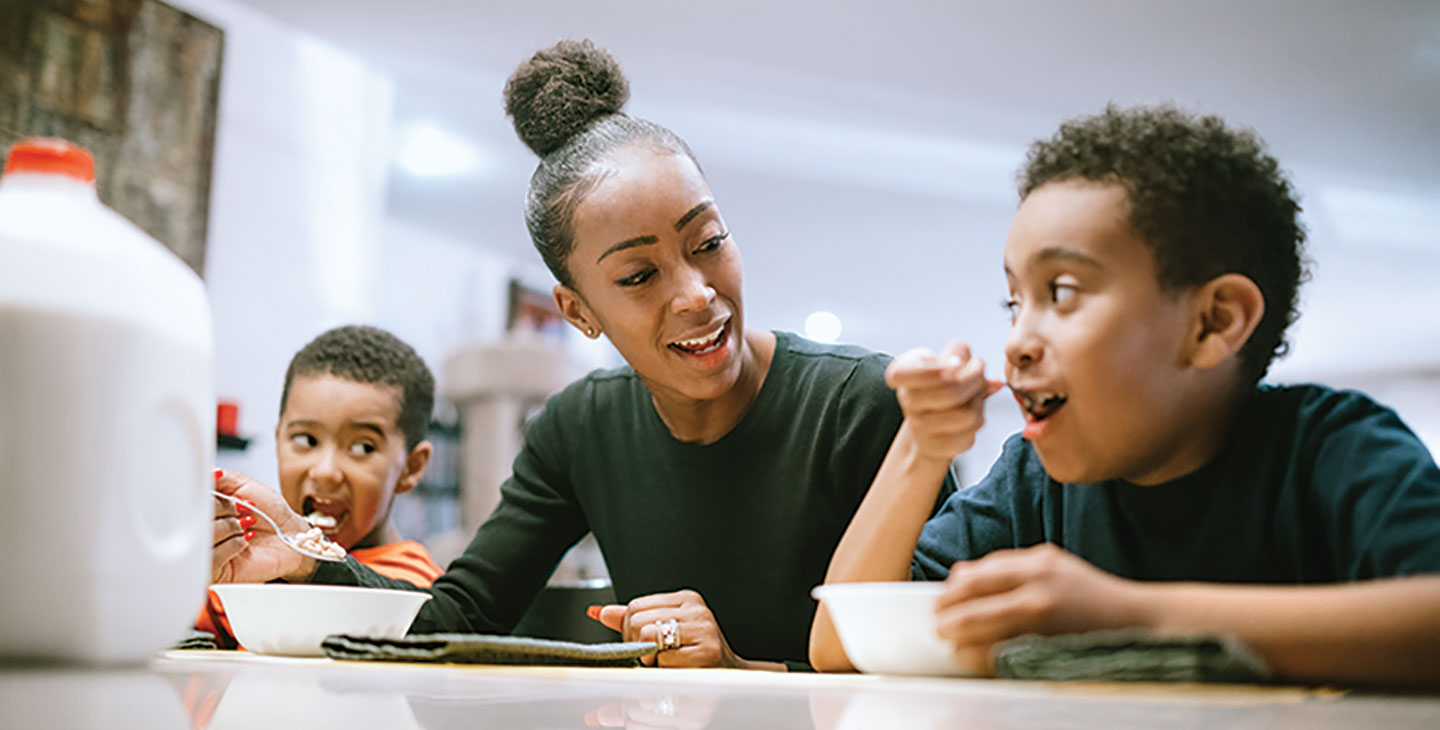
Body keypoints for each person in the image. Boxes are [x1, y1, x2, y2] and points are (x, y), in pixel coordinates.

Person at [211, 39, 939, 670]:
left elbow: (951, 656)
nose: (694, 294)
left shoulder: (864, 405)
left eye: (708, 242)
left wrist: (745, 668)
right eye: (638, 276)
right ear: (579, 312)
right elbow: (460, 617)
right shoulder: (580, 428)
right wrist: (308, 558)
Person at [809, 104, 1440, 686]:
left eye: (1060, 292)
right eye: (1013, 302)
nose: (1018, 341)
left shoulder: (1330, 447)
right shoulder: (1032, 483)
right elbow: (839, 646)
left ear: (1214, 322)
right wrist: (920, 448)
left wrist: (1130, 617)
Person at [205, 325, 443, 647]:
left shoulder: (413, 590)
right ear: (278, 442)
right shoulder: (242, 565)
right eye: (306, 440)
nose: (325, 472)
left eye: (363, 447)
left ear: (412, 468)